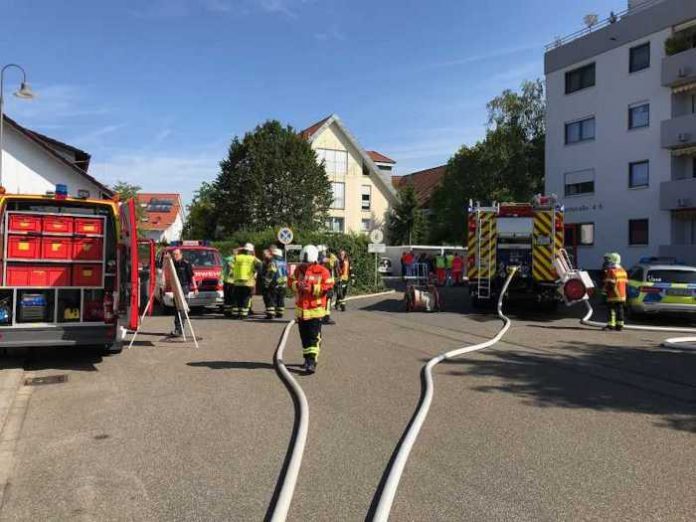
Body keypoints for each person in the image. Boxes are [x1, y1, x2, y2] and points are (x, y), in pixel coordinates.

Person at [288, 244, 334, 374]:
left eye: (307, 263)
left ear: (314, 260)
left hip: (315, 311)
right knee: (304, 338)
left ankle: (311, 362)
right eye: (303, 263)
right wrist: (297, 285)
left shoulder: (323, 271)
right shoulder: (298, 270)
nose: (305, 265)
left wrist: (313, 288)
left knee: (313, 337)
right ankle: (307, 359)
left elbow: (329, 287)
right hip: (302, 312)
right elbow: (290, 282)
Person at [170, 248, 197, 336]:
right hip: (176, 289)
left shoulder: (186, 264)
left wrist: (195, 288)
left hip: (184, 287)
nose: (175, 256)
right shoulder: (173, 264)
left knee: (182, 309)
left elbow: (192, 276)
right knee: (176, 309)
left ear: (181, 255)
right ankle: (177, 329)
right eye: (173, 255)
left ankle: (180, 329)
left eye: (177, 254)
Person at [231, 243, 261, 319]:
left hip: (237, 282)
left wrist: (239, 249)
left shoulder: (237, 257)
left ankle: (235, 314)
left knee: (237, 298)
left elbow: (231, 260)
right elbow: (260, 265)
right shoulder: (253, 258)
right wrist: (254, 270)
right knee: (246, 298)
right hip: (248, 282)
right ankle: (243, 315)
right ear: (251, 251)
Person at [602, 252, 628, 331]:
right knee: (620, 310)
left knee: (611, 310)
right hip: (622, 295)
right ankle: (620, 326)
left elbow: (610, 284)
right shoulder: (623, 271)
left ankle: (611, 326)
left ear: (612, 260)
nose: (607, 262)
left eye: (608, 260)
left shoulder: (611, 271)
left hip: (613, 294)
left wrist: (604, 292)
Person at [262, 246, 288, 319]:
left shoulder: (273, 262)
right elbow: (287, 272)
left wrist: (266, 283)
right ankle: (280, 313)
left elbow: (271, 272)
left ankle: (270, 314)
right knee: (281, 298)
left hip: (274, 283)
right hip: (283, 283)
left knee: (271, 298)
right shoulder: (284, 262)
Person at [319, 245, 338, 325]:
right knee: (327, 301)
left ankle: (321, 317)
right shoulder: (324, 260)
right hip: (327, 285)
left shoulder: (317, 260)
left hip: (322, 284)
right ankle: (326, 318)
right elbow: (333, 264)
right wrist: (333, 258)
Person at [221, 251, 236, 317]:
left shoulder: (226, 259)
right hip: (233, 282)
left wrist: (221, 279)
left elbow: (223, 270)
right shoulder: (236, 260)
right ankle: (231, 311)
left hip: (226, 281)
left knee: (227, 298)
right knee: (232, 297)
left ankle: (227, 312)